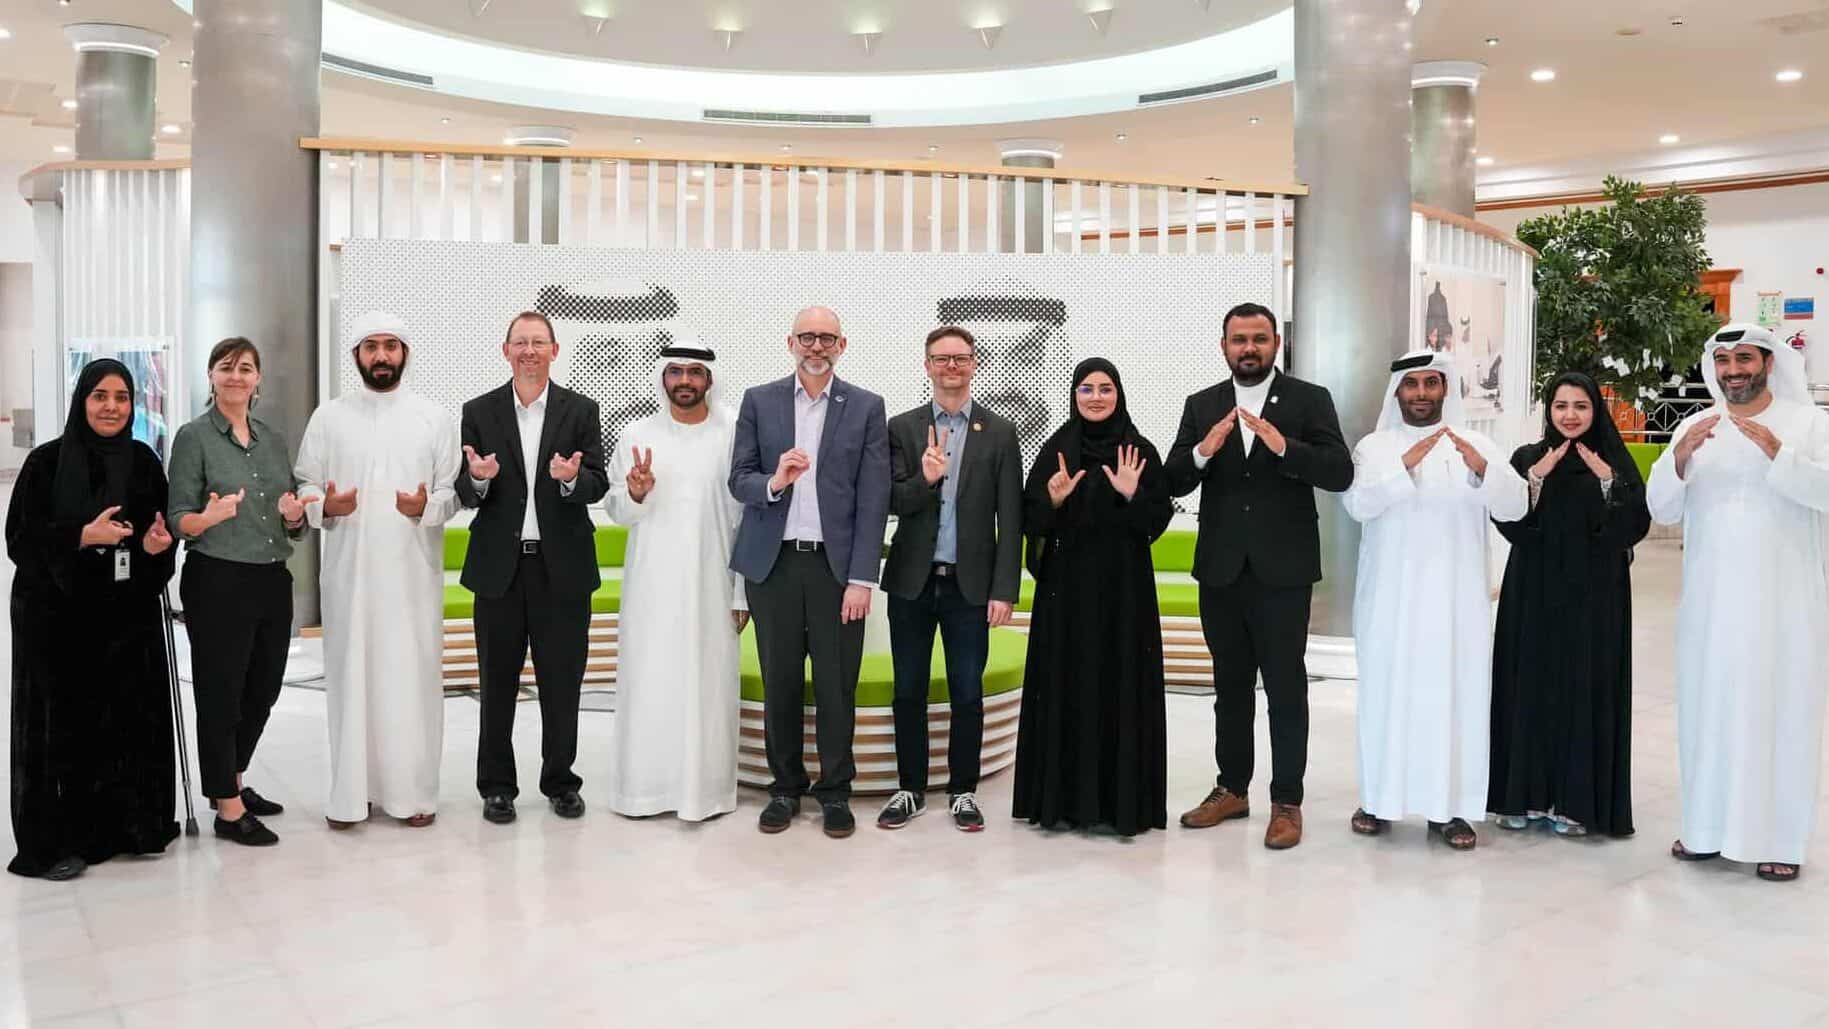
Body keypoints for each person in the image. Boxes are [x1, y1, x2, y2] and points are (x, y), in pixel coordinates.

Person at [1165, 302, 1352, 851]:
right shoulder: (1203, 404)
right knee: (1229, 686)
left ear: (1276, 344)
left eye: (1259, 339)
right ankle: (1232, 788)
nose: (1249, 348)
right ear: (1224, 346)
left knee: (1286, 688)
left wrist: (1284, 447)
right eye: (1239, 339)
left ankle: (1287, 800)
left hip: (1284, 571)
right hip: (1221, 570)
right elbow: (1172, 480)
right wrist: (1204, 451)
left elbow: (1339, 472)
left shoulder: (1308, 399)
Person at [1648, 323, 1829, 883]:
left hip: (1784, 603)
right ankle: (1704, 830)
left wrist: (1780, 454)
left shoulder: (1809, 424)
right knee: (1709, 710)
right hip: (1712, 605)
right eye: (1723, 360)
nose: (1733, 370)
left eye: (1744, 358)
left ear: (1768, 363)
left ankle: (1780, 841)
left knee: (1782, 713)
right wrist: (1679, 459)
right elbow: (1661, 508)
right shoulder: (1697, 426)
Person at [1341, 351, 1528, 851]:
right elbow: (1356, 505)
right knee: (1386, 698)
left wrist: (1483, 471)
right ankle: (1378, 800)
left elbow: (1516, 506)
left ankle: (1451, 808)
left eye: (1431, 383)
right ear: (1398, 391)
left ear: (1445, 389)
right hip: (1390, 601)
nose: (1421, 393)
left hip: (1455, 605)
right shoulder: (1374, 447)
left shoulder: (1477, 444)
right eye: (1412, 384)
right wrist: (1404, 467)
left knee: (1454, 701)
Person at [7, 360, 179, 880]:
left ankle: (126, 826)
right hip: (55, 617)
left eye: (122, 397)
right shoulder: (46, 462)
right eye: (100, 396)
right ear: (82, 400)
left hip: (124, 616)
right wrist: (83, 536)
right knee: (62, 727)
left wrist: (156, 547)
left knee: (125, 717)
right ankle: (55, 841)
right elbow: (19, 541)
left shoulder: (144, 463)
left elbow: (157, 541)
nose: (111, 407)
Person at [293, 313, 462, 830]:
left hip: (412, 578)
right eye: (372, 346)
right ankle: (353, 795)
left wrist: (424, 508)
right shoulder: (329, 418)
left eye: (391, 346)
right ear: (357, 355)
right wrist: (327, 506)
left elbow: (451, 494)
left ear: (405, 353)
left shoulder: (433, 418)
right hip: (350, 579)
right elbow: (305, 485)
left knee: (411, 682)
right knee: (353, 682)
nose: (382, 355)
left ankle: (414, 795)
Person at [728, 306, 891, 839]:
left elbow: (874, 498)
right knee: (779, 681)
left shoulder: (866, 407)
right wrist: (775, 481)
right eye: (806, 337)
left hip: (835, 570)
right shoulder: (759, 401)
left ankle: (835, 791)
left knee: (836, 684)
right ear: (790, 342)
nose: (816, 346)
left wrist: (862, 578)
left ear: (842, 345)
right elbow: (739, 479)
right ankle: (784, 788)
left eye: (826, 338)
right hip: (773, 567)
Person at [456, 311, 608, 825]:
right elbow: (464, 490)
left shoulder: (581, 411)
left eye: (538, 342)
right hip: (499, 569)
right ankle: (497, 787)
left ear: (554, 351)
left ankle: (561, 782)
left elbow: (597, 483)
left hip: (562, 568)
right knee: (496, 683)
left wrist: (571, 480)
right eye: (519, 342)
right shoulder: (478, 411)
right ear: (506, 351)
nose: (528, 351)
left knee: (562, 683)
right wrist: (479, 479)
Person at [1011, 358, 1173, 837]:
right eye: (1086, 389)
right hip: (1066, 594)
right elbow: (1030, 518)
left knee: (1123, 682)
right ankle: (1062, 802)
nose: (1096, 397)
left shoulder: (1138, 451)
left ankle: (1121, 804)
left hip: (1125, 593)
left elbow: (1157, 520)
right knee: (1066, 681)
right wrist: (1054, 501)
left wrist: (1131, 494)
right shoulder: (1056, 449)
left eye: (1105, 388)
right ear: (1074, 395)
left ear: (1118, 394)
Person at [1489, 371, 1650, 840]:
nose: (1570, 415)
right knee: (1530, 685)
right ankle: (1523, 797)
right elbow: (1508, 520)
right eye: (1561, 406)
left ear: (1595, 410)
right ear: (1549, 410)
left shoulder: (1615, 461)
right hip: (1533, 592)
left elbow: (1635, 525)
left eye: (1581, 406)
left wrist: (1609, 484)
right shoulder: (1527, 458)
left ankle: (1578, 803)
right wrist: (1535, 480)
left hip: (1594, 596)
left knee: (1585, 686)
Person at [876, 326, 1024, 833]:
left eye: (960, 358)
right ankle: (910, 789)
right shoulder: (902, 428)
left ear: (974, 364)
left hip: (971, 586)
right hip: (912, 583)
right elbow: (891, 500)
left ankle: (963, 791)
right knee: (908, 689)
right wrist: (926, 479)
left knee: (966, 690)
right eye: (941, 359)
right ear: (927, 366)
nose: (951, 367)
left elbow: (1011, 519)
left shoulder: (1000, 432)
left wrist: (1004, 590)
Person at [168, 337, 309, 847]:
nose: (235, 376)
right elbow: (178, 517)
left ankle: (233, 778)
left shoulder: (272, 440)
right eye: (225, 367)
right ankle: (228, 808)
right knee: (220, 693)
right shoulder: (193, 437)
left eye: (245, 368)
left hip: (271, 577)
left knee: (263, 688)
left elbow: (292, 519)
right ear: (211, 376)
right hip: (217, 577)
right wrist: (205, 518)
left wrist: (294, 517)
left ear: (258, 379)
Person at [603, 341, 748, 821]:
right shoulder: (636, 434)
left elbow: (745, 518)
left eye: (694, 372)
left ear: (709, 379)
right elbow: (617, 511)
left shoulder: (734, 433)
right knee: (651, 683)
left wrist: (742, 592)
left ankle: (705, 793)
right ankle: (644, 791)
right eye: (675, 372)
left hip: (714, 585)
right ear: (663, 378)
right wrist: (635, 493)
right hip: (651, 588)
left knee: (709, 687)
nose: (684, 380)